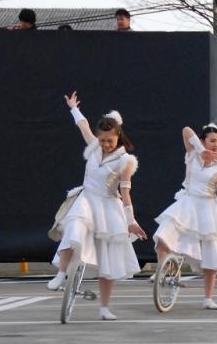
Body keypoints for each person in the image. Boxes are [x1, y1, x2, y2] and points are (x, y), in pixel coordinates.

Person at [46, 92, 147, 320]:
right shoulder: (94, 147)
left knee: (107, 258)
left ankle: (104, 308)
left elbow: (126, 193)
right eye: (102, 140)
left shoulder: (125, 161)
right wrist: (73, 107)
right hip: (86, 199)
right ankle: (61, 274)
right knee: (73, 226)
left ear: (118, 137)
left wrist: (131, 221)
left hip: (108, 207)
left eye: (110, 141)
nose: (105, 144)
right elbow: (83, 126)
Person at [153, 124, 217, 310]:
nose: (216, 144)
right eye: (212, 141)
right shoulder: (193, 153)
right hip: (187, 204)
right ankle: (167, 271)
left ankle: (208, 298)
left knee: (212, 255)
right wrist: (201, 151)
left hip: (208, 208)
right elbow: (185, 130)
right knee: (162, 238)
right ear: (202, 141)